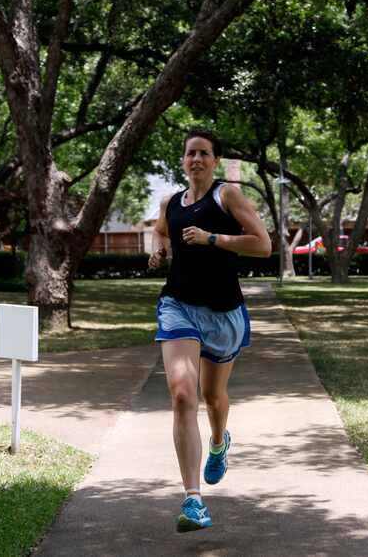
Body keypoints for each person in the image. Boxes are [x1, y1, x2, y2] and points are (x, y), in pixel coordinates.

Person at [149, 128, 272, 533]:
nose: (196, 160)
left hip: (223, 312)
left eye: (203, 153)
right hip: (178, 305)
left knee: (212, 396)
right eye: (190, 154)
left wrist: (212, 238)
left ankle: (219, 441)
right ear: (182, 161)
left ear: (214, 161)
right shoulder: (171, 202)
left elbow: (263, 245)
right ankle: (193, 499)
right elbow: (161, 229)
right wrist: (159, 249)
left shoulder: (227, 196)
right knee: (183, 394)